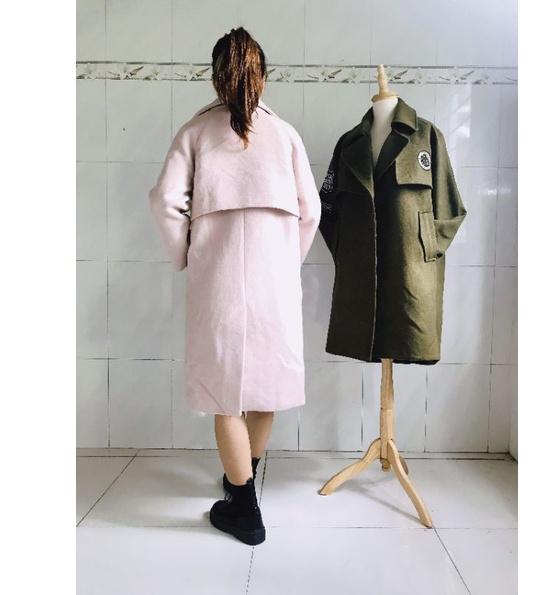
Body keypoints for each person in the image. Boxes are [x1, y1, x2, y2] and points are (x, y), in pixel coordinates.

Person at [148, 27, 321, 545]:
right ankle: (242, 476)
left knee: (225, 392)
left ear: (215, 77)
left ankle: (242, 506)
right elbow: (311, 210)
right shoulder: (285, 134)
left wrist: (186, 253)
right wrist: (285, 261)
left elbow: (164, 202)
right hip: (274, 282)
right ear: (262, 75)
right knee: (266, 384)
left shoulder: (196, 132)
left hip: (218, 280)